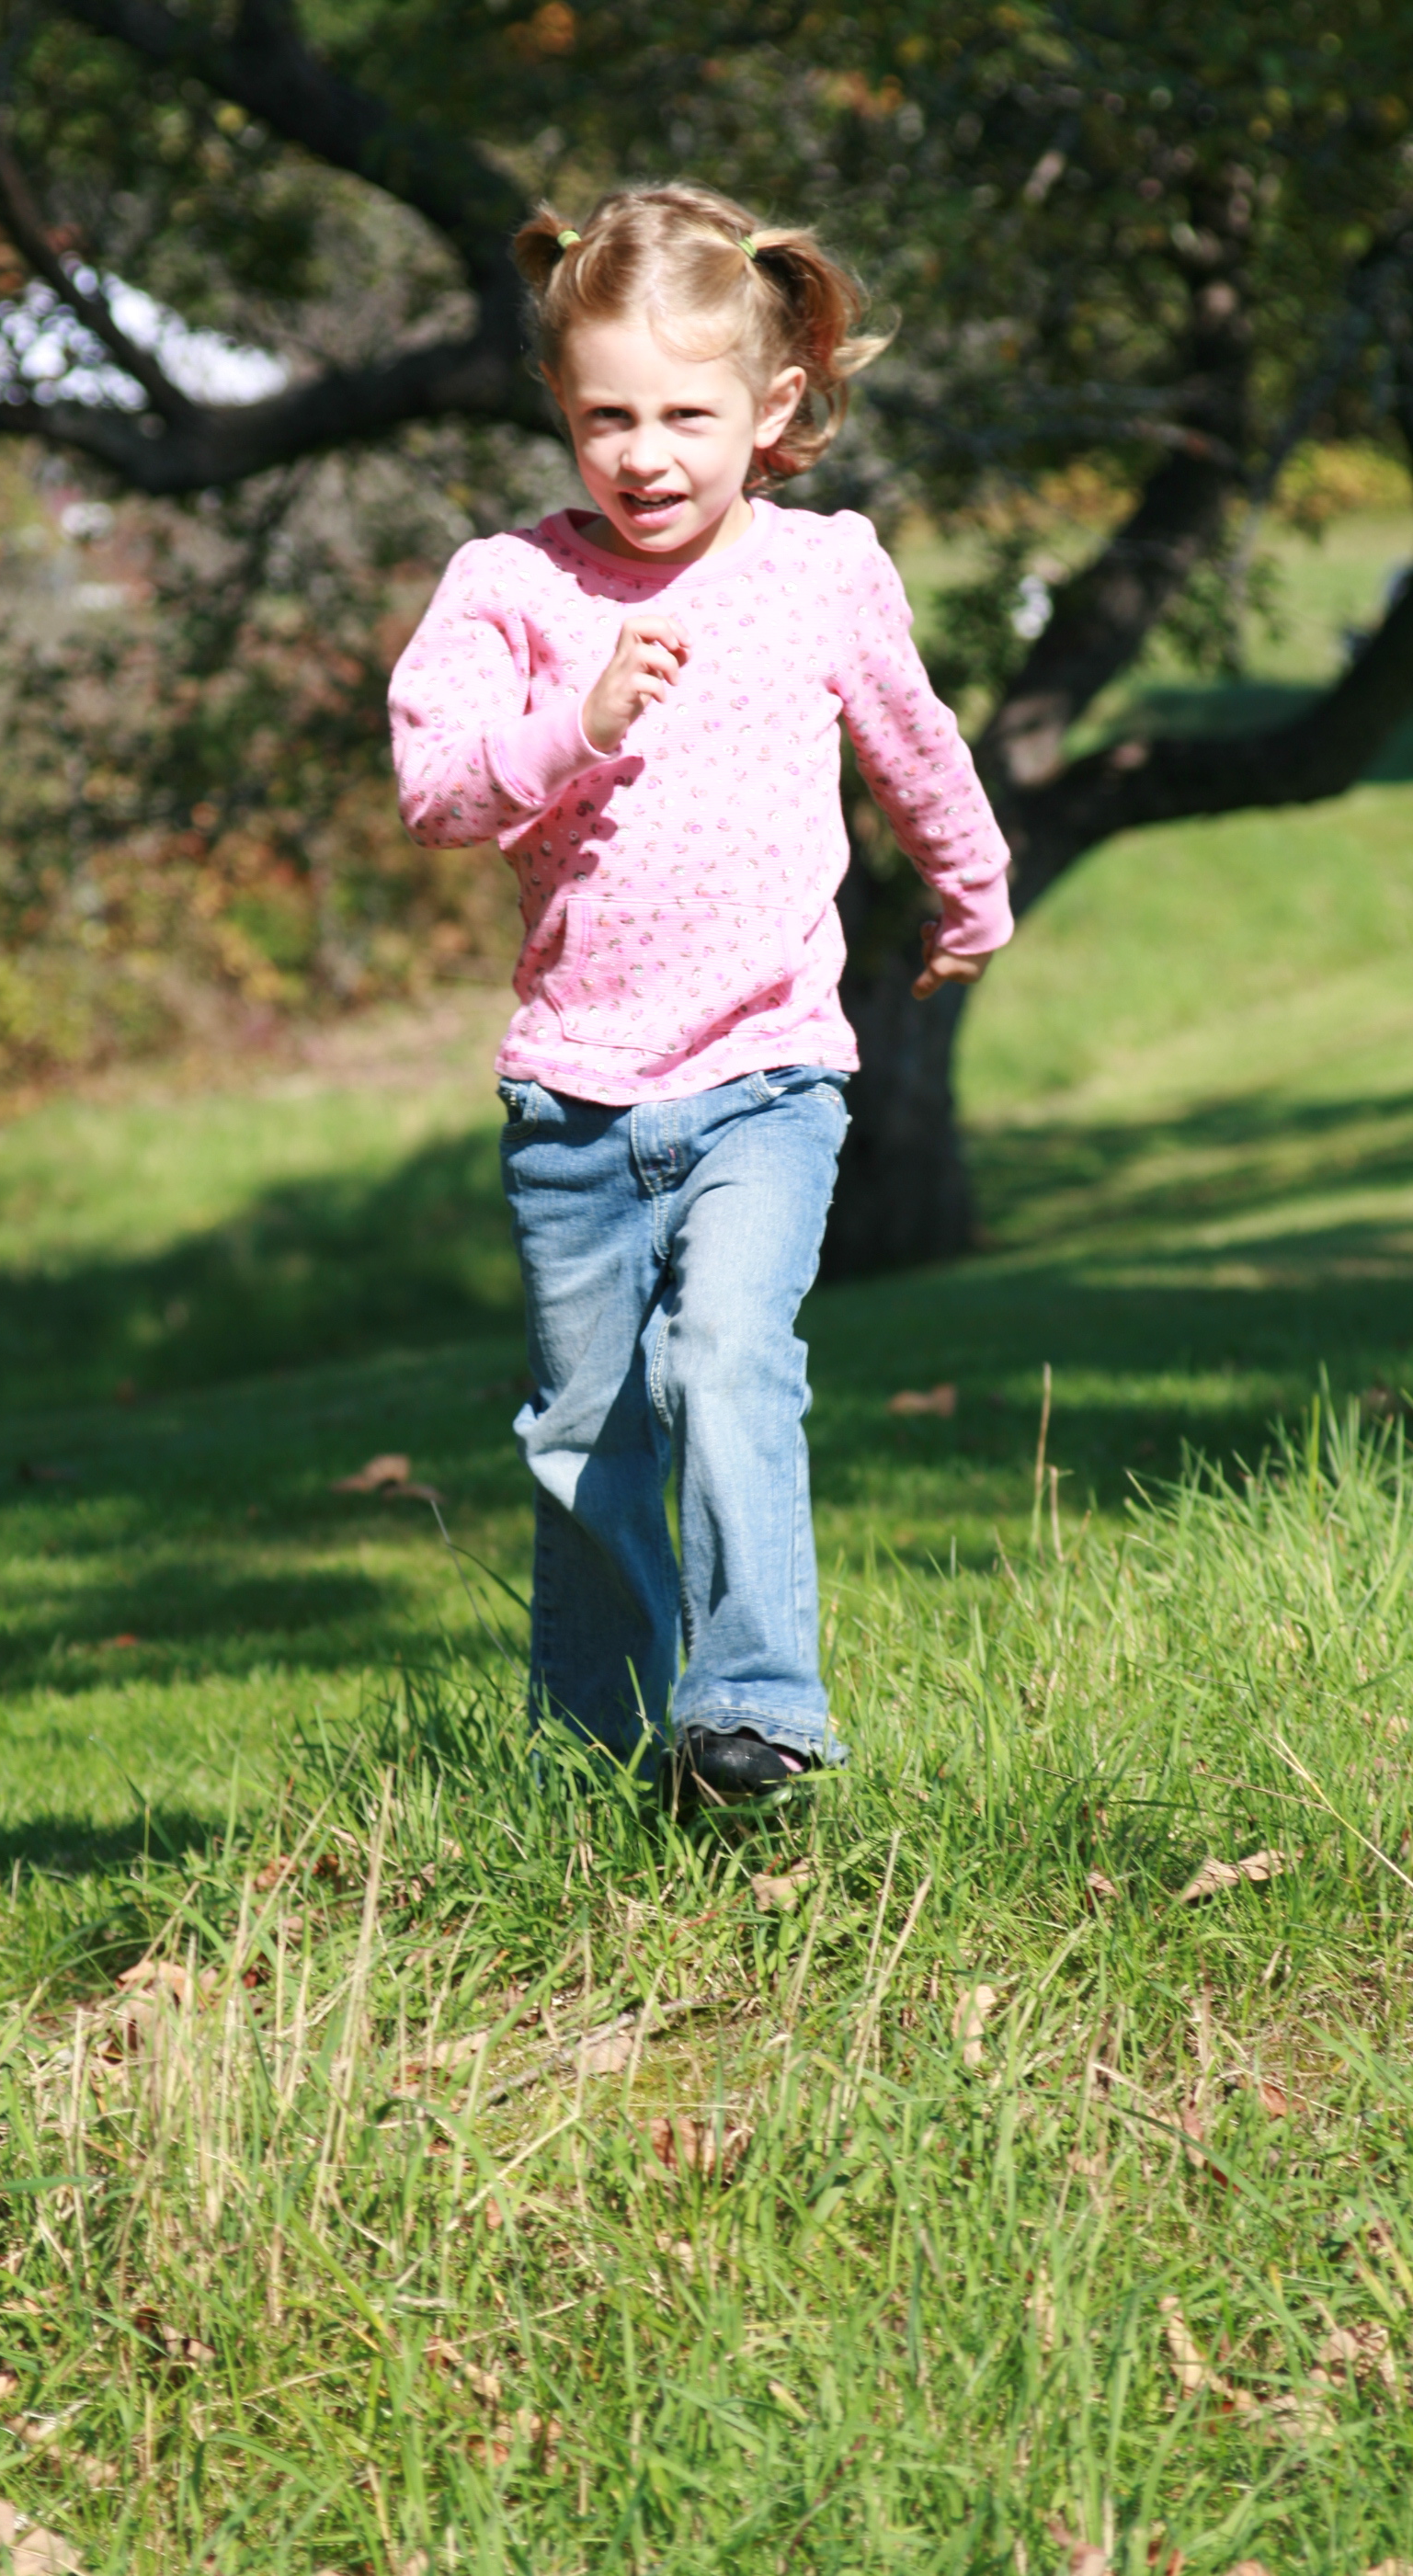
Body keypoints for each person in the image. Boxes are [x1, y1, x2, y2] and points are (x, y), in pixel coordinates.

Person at [388, 183, 1013, 1802]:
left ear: (773, 408)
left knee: (731, 1355)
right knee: (585, 1431)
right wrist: (576, 726)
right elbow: (438, 791)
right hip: (572, 1097)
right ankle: (598, 1757)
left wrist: (972, 892)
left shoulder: (821, 573)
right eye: (608, 416)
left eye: (685, 415)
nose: (646, 454)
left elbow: (915, 742)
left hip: (768, 1070)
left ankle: (752, 1712)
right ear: (559, 405)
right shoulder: (512, 586)